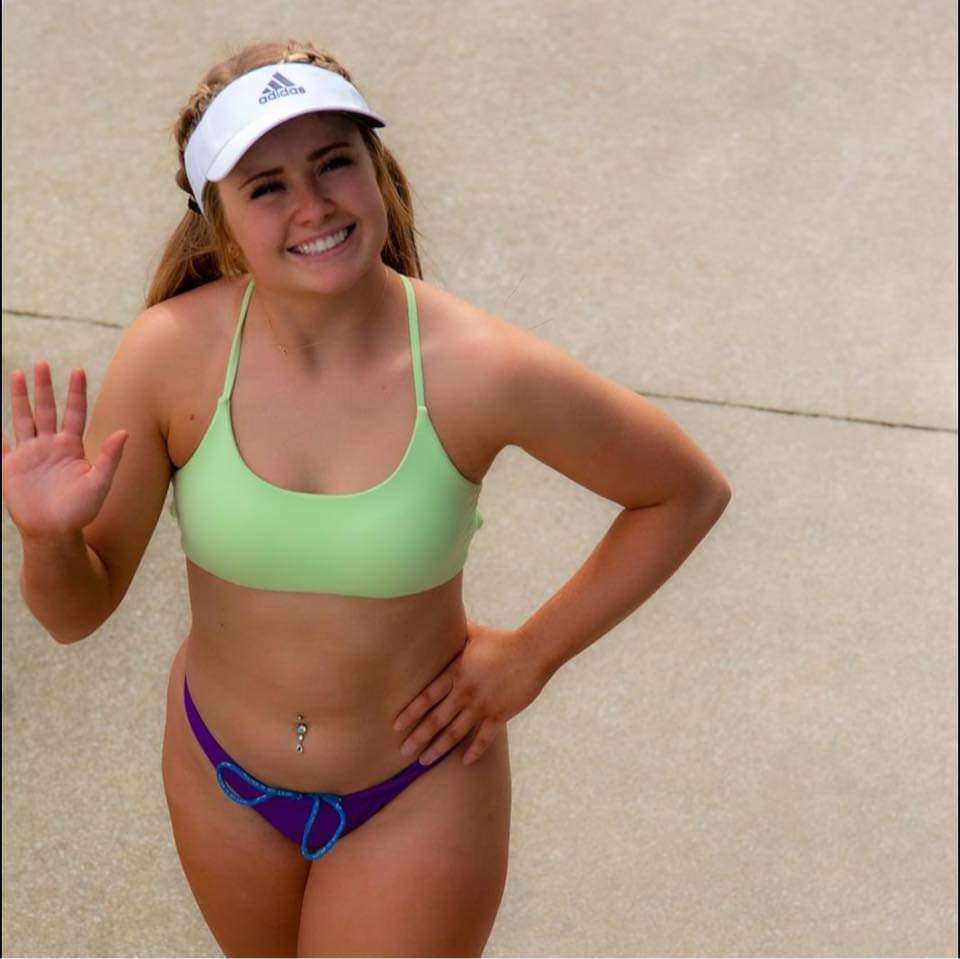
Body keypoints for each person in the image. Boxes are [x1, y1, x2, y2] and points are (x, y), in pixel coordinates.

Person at [2, 38, 731, 958]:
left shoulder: (477, 368)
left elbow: (683, 492)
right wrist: (49, 540)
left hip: (415, 794)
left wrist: (532, 655)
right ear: (221, 224)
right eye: (267, 186)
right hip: (221, 779)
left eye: (334, 162)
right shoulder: (169, 355)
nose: (312, 204)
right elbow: (75, 613)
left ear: (377, 171)